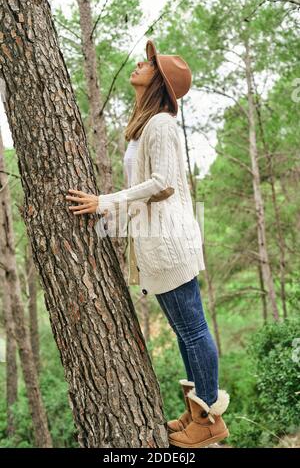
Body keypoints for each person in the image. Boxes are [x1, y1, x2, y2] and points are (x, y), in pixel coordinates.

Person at [65, 39, 230, 448]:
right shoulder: (145, 126)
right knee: (183, 331)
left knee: (192, 330)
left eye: (149, 63)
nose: (141, 63)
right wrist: (109, 215)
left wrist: (105, 201)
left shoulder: (161, 124)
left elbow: (163, 184)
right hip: (156, 242)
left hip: (169, 242)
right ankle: (196, 411)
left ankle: (209, 418)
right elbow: (144, 192)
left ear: (160, 81)